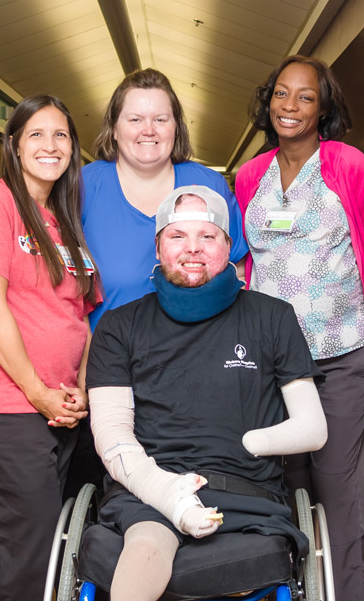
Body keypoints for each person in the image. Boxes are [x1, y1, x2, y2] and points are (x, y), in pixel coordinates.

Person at [86, 186, 327, 601]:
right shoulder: (120, 327)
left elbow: (313, 427)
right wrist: (167, 493)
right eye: (178, 236)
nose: (192, 249)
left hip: (244, 493)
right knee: (146, 544)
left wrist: (256, 441)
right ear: (159, 246)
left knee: (232, 570)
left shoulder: (273, 317)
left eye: (208, 236)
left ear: (229, 248)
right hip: (151, 491)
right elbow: (112, 435)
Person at [234, 55, 364, 601]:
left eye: (304, 96)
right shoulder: (251, 174)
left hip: (340, 356)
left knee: (337, 488)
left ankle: (347, 594)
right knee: (282, 485)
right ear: (268, 100)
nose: (290, 106)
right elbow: (245, 262)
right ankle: (292, 591)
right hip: (272, 366)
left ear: (323, 106)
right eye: (281, 94)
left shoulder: (346, 165)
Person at [0, 94, 100, 601]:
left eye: (60, 135)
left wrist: (79, 390)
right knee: (23, 559)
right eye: (36, 134)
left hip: (56, 410)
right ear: (12, 145)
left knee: (48, 549)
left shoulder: (63, 219)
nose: (50, 145)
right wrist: (38, 392)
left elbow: (79, 317)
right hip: (5, 408)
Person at [77, 68, 249, 497]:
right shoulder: (84, 186)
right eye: (134, 119)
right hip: (106, 373)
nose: (148, 130)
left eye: (161, 118)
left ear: (177, 126)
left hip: (194, 369)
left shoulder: (206, 184)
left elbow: (237, 270)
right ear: (114, 128)